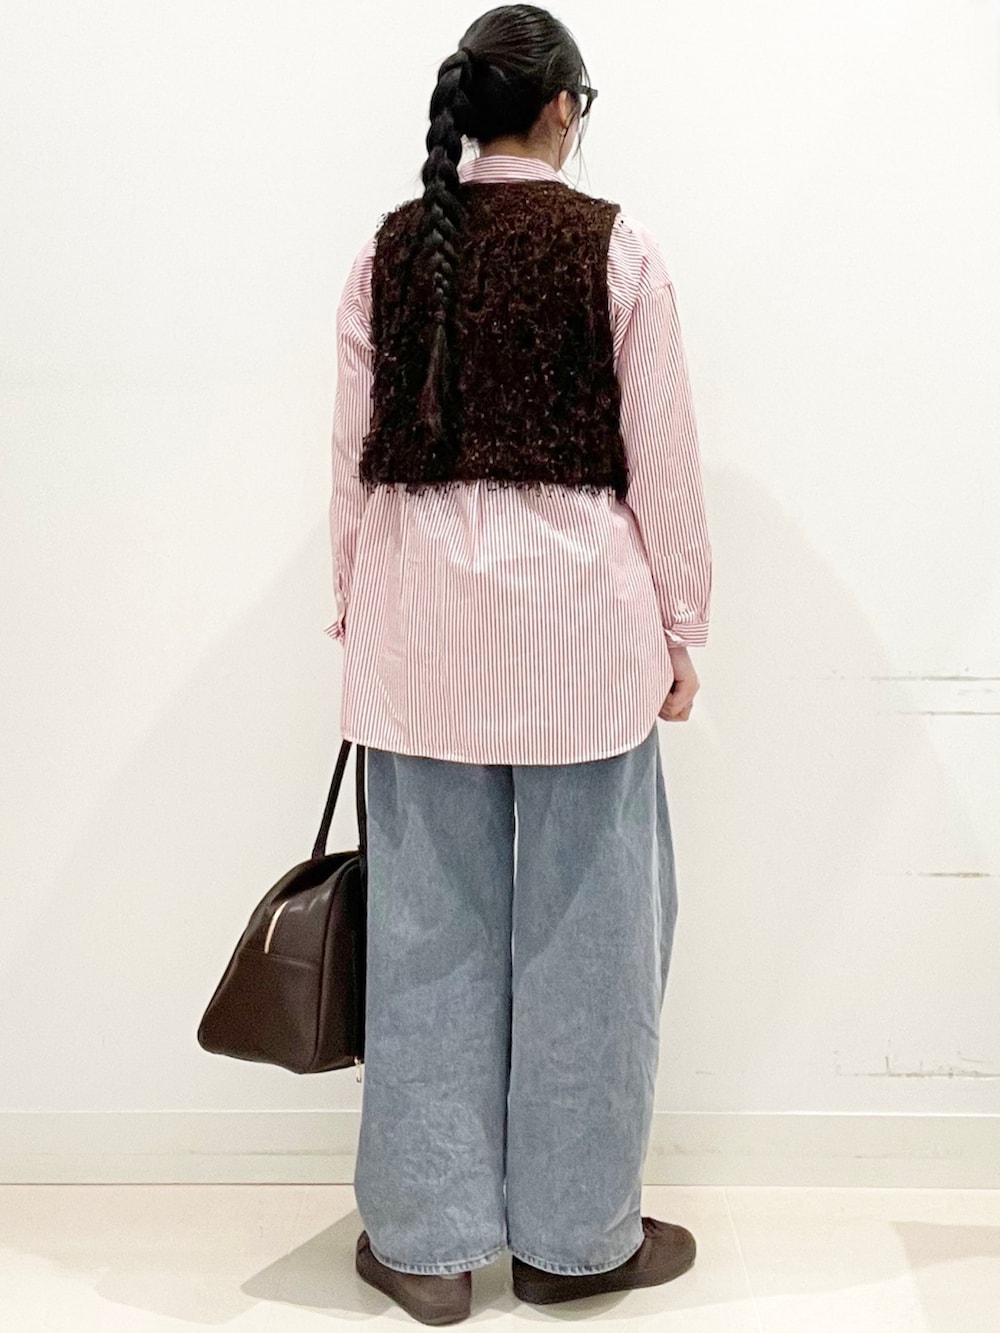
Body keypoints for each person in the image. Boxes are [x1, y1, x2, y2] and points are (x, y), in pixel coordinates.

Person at [324, 4, 712, 1324]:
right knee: (594, 943)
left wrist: (354, 616)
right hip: (581, 644)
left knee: (424, 934)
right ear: (562, 109)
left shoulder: (388, 251)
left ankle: (428, 1245)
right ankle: (574, 1240)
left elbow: (349, 458)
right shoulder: (620, 248)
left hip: (419, 640)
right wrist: (682, 628)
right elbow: (664, 460)